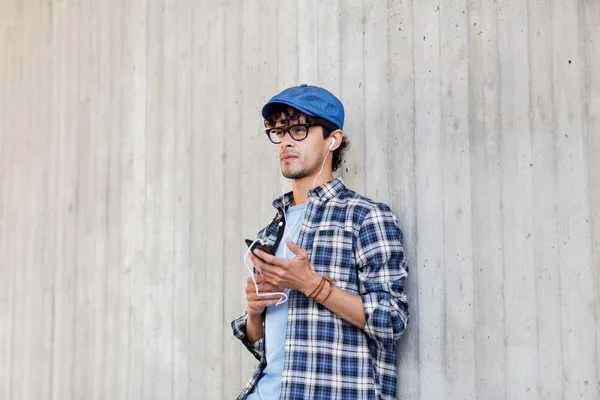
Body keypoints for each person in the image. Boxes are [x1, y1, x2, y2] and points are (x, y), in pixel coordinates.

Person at [231, 84, 409, 400]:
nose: (285, 140)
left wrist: (312, 285)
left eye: (299, 129)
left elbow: (391, 320)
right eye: (278, 131)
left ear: (333, 139)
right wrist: (254, 312)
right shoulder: (271, 230)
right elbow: (268, 347)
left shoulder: (365, 217)